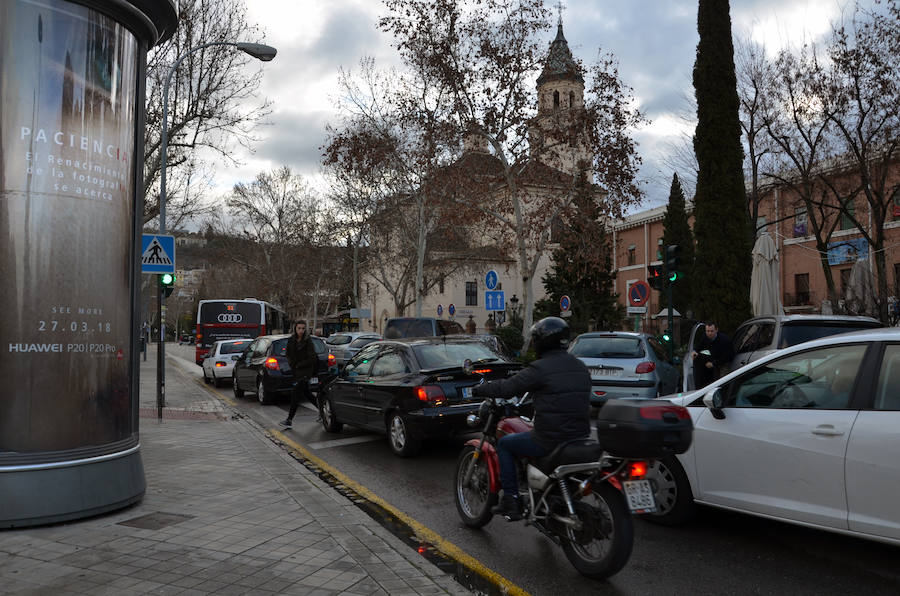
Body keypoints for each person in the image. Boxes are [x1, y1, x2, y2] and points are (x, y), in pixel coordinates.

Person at [471, 316, 591, 520]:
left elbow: (508, 388)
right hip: (580, 437)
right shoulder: (580, 366)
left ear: (541, 341)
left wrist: (479, 389)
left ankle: (511, 500)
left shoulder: (540, 368)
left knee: (506, 444)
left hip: (550, 438)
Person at [280, 320, 317, 428]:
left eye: (303, 328)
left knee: (295, 394)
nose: (301, 330)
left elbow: (312, 358)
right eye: (299, 328)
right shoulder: (292, 340)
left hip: (305, 371)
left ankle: (289, 420)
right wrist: (292, 365)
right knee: (307, 394)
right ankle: (324, 411)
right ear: (295, 329)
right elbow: (288, 354)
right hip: (296, 370)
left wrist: (300, 365)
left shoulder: (308, 341)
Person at [691, 321, 735, 388]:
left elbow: (727, 357)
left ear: (716, 330)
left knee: (723, 381)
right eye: (707, 331)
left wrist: (713, 364)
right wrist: (695, 351)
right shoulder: (705, 337)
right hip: (715, 359)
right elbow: (700, 345)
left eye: (712, 331)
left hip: (725, 362)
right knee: (715, 381)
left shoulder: (724, 341)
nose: (709, 333)